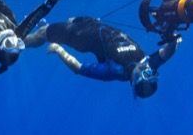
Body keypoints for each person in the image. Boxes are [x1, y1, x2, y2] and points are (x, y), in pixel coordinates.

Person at [23, 16, 179, 98]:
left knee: (44, 35)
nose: (149, 70)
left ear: (136, 80)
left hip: (80, 36)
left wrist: (58, 50)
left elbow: (78, 67)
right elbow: (166, 53)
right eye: (153, 74)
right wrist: (172, 41)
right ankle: (43, 29)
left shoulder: (114, 71)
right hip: (92, 23)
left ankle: (18, 41)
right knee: (70, 19)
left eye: (146, 75)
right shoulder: (147, 64)